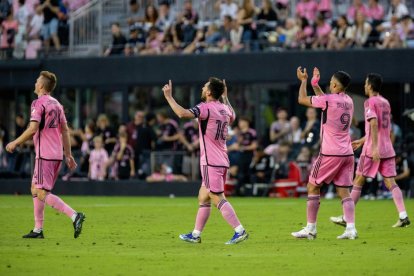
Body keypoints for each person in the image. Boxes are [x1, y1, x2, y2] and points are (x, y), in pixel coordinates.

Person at [162, 78, 248, 244]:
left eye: (205, 86)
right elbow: (233, 116)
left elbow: (182, 113)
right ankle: (195, 234)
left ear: (209, 92)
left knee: (216, 197)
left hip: (211, 161)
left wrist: (169, 97)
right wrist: (225, 96)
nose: (202, 87)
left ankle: (239, 230)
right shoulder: (225, 109)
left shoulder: (205, 108)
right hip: (222, 159)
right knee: (203, 197)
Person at [5, 71, 85, 239]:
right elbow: (65, 130)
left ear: (41, 86)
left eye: (36, 82)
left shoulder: (38, 103)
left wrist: (15, 142)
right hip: (56, 155)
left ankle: (74, 215)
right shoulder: (57, 104)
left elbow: (33, 128)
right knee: (35, 188)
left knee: (41, 192)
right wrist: (68, 155)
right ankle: (38, 229)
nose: (35, 84)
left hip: (44, 155)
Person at [330, 73, 410, 228]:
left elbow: (373, 124)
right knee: (390, 181)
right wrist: (362, 140)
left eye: (366, 84)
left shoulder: (370, 102)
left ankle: (347, 217)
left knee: (358, 180)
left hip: (373, 149)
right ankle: (403, 215)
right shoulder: (385, 102)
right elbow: (381, 128)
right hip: (387, 147)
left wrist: (373, 148)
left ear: (370, 86)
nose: (364, 86)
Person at [291, 66, 357, 240]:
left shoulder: (328, 100)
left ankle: (311, 228)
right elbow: (326, 100)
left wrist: (304, 81)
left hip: (330, 152)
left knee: (312, 186)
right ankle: (351, 228)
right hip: (347, 152)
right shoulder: (348, 101)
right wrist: (316, 85)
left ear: (335, 85)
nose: (329, 84)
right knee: (344, 191)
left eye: (331, 83)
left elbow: (302, 99)